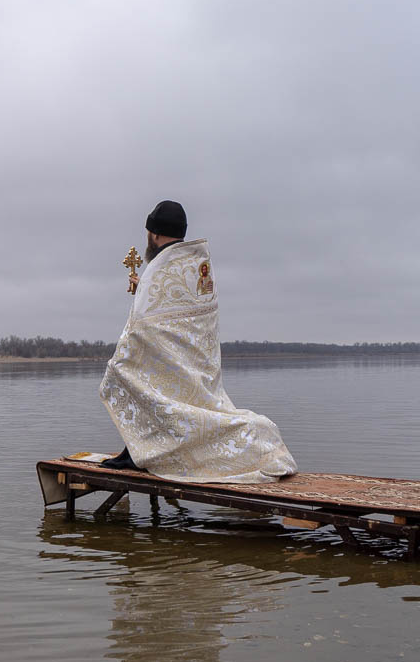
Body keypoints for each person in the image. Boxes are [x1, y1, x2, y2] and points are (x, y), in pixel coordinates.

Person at [98, 200, 297, 483]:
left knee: (117, 374)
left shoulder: (161, 267)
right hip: (197, 362)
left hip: (169, 359)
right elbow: (183, 316)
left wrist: (128, 349)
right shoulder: (195, 263)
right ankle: (138, 449)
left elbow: (144, 322)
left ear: (153, 234)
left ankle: (140, 452)